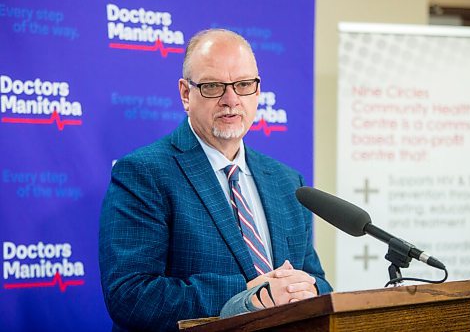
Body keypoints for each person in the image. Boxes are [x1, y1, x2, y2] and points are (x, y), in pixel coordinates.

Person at [99, 28, 332, 332]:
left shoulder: (287, 182)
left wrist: (310, 289)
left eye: (244, 84)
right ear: (186, 93)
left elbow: (318, 281)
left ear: (258, 91)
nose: (231, 100)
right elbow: (130, 295)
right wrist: (251, 294)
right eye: (212, 86)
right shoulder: (144, 174)